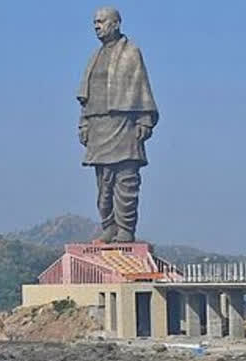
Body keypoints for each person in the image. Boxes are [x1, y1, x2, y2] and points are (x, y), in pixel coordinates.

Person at [76, 6, 158, 243]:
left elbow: (140, 86)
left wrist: (144, 119)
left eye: (101, 21)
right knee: (103, 185)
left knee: (126, 181)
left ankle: (125, 229)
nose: (97, 26)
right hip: (98, 125)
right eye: (95, 22)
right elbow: (85, 97)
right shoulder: (95, 56)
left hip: (124, 124)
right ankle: (108, 226)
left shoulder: (131, 52)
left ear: (116, 23)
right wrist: (84, 124)